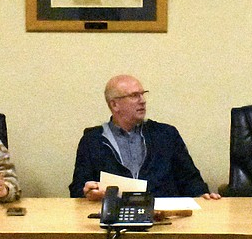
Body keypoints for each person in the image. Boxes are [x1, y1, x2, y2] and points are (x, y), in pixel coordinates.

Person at [70, 74, 219, 200]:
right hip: (114, 218)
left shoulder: (166, 134)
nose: (143, 100)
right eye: (134, 96)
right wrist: (89, 193)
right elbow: (77, 189)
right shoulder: (93, 140)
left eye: (143, 94)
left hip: (164, 218)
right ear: (114, 105)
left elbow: (190, 180)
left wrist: (202, 196)